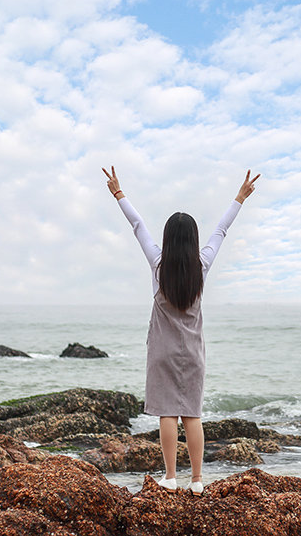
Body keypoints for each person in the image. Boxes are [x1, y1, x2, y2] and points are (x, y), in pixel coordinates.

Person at [103, 166, 259, 496]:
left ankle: (171, 477)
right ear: (193, 240)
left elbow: (138, 227)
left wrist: (119, 194)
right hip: (193, 352)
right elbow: (221, 230)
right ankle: (198, 480)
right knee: (192, 415)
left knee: (167, 412)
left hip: (161, 350)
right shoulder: (201, 265)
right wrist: (240, 198)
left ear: (168, 240)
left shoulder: (158, 264)